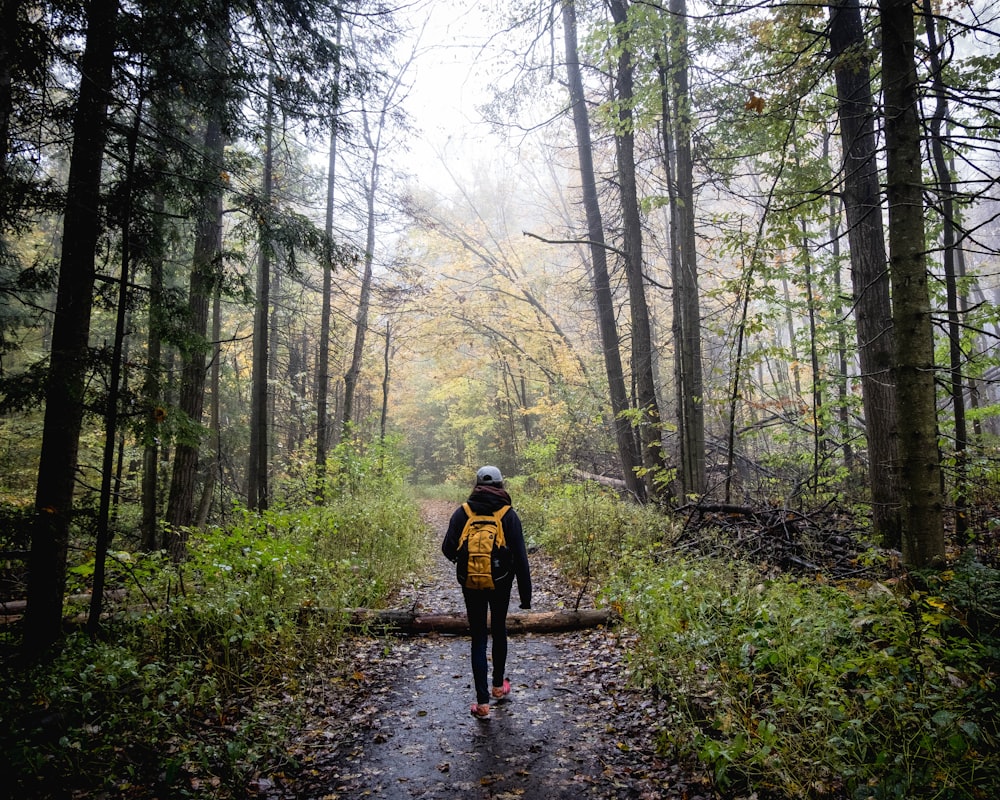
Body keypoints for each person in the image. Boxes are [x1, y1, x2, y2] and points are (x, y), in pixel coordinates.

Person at [442, 465, 532, 719]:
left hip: (470, 582)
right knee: (499, 629)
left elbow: (448, 550)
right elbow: (521, 559)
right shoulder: (508, 515)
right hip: (501, 582)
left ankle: (482, 703)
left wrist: (465, 557)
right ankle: (498, 687)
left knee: (479, 636)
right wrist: (525, 597)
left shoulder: (463, 512)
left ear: (476, 484)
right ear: (502, 485)